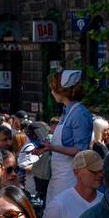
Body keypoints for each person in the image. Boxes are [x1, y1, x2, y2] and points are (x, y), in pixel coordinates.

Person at [43, 71, 95, 207]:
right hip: (58, 177)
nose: (52, 92)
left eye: (53, 89)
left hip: (70, 178)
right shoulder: (67, 111)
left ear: (61, 90)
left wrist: (53, 147)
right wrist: (48, 147)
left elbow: (80, 150)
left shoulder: (79, 114)